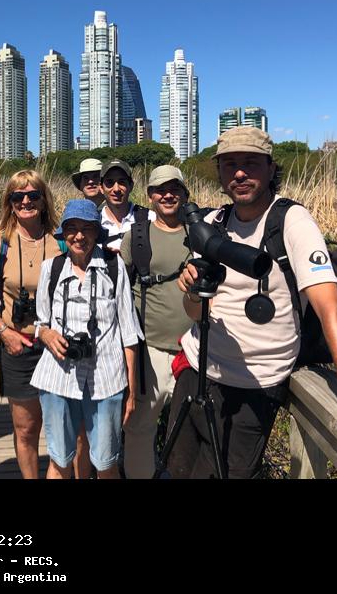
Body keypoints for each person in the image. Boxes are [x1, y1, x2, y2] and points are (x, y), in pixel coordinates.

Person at [168, 127, 337, 478]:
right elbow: (196, 313)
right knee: (177, 470)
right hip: (196, 371)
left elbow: (331, 309)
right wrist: (192, 291)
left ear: (271, 168)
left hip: (253, 387)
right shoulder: (215, 222)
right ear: (220, 173)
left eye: (250, 163)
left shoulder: (291, 222)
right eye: (229, 165)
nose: (239, 173)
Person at [0, 170, 89, 479]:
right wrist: (3, 332)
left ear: (44, 200)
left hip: (57, 345)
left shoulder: (61, 242)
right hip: (19, 345)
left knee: (73, 427)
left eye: (33, 195)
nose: (26, 201)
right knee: (26, 428)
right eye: (18, 196)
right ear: (9, 202)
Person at [32, 200, 142, 479]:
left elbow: (128, 331)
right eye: (72, 228)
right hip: (58, 377)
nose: (79, 236)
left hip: (106, 379)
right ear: (64, 233)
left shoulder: (114, 266)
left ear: (96, 232)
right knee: (59, 459)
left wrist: (131, 390)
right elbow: (40, 322)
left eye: (87, 228)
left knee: (105, 463)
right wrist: (46, 334)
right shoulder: (50, 268)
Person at [120, 165, 193, 478]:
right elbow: (118, 290)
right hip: (149, 350)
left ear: (184, 194)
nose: (168, 195)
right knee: (140, 428)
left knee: (191, 431)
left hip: (193, 351)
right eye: (160, 190)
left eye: (174, 188)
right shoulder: (137, 236)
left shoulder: (200, 234)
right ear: (150, 196)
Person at [98, 159, 155, 252]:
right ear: (101, 188)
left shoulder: (150, 218)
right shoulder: (94, 223)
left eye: (122, 182)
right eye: (110, 182)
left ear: (131, 186)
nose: (116, 189)